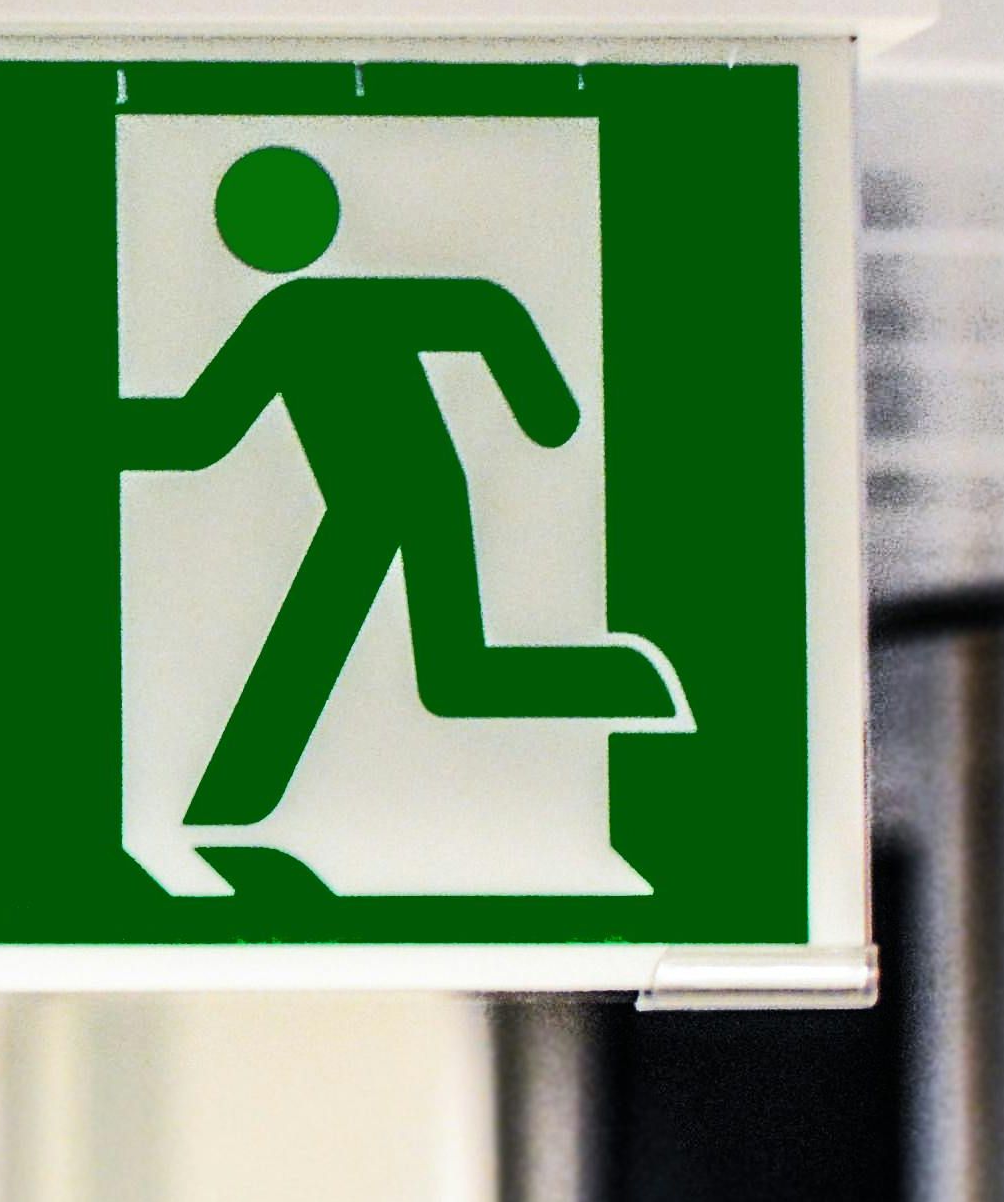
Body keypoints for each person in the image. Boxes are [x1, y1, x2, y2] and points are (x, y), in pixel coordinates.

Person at [124, 144, 673, 830]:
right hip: (382, 500)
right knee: (456, 674)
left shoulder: (292, 317)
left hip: (404, 497)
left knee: (436, 670)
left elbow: (196, 432)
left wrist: (547, 412)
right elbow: (199, 432)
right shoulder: (291, 317)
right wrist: (545, 412)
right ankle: (625, 685)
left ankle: (230, 805)